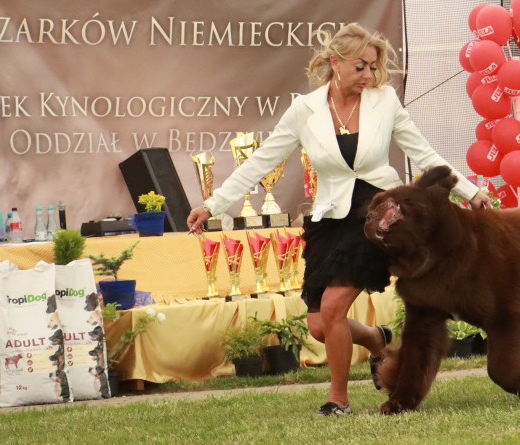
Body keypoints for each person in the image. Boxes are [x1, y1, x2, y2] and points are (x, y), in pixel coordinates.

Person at [187, 23, 491, 416]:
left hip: (378, 215)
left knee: (332, 309)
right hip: (329, 216)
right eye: (360, 67)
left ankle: (338, 399)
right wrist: (213, 204)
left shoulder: (385, 102)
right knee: (319, 325)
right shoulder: (305, 110)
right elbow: (262, 161)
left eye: (373, 67)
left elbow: (425, 153)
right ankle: (377, 340)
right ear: (335, 63)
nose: (368, 75)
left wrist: (471, 191)